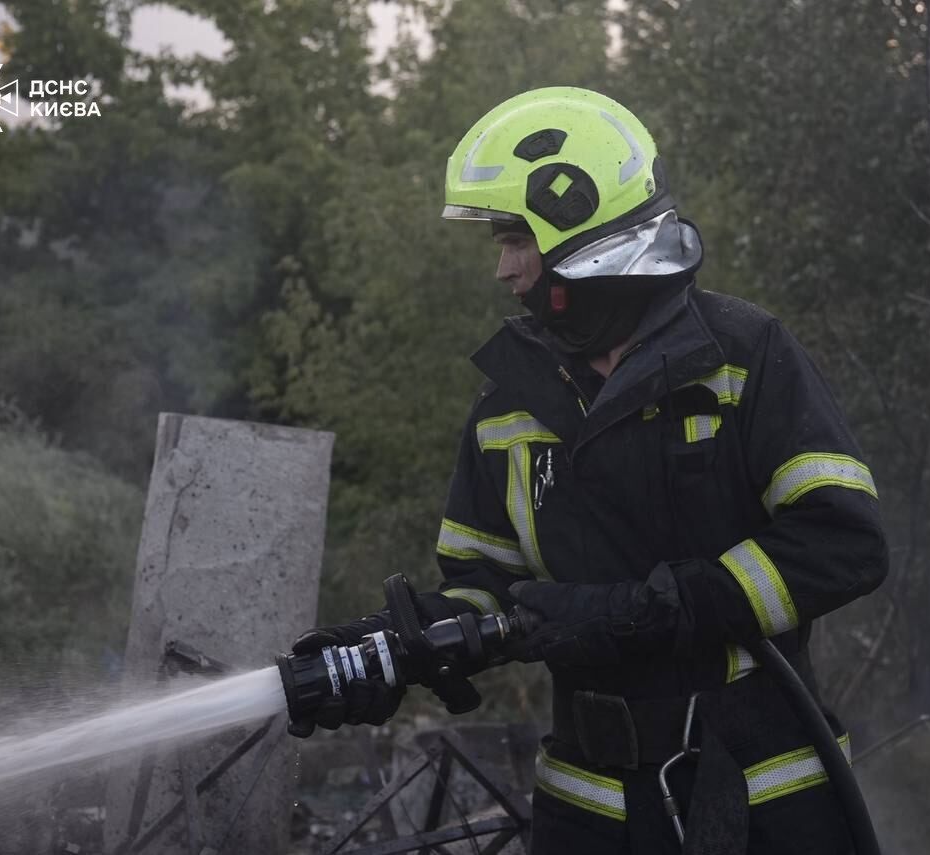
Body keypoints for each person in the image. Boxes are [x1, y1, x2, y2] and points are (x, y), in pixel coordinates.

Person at [288, 87, 889, 854]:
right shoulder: (510, 401)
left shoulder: (742, 356)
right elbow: (488, 581)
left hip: (763, 799)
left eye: (515, 240)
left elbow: (844, 541)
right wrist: (393, 647)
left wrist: (658, 609)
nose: (504, 271)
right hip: (586, 810)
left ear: (577, 228)